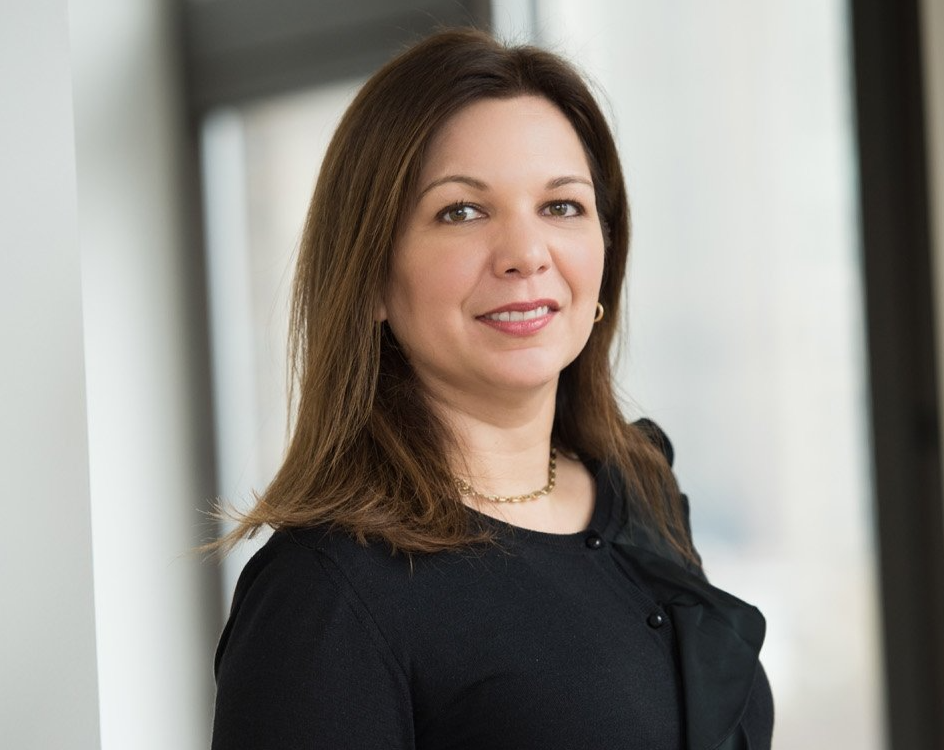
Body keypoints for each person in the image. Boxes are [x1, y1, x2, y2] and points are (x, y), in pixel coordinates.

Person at [211, 28, 773, 750]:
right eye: (462, 211)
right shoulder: (326, 592)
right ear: (372, 277)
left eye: (561, 206)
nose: (526, 255)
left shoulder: (641, 488)